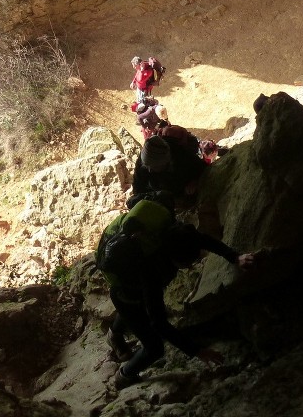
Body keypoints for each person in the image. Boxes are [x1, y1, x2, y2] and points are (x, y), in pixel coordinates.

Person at [97, 199, 256, 387]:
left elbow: (205, 240)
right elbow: (159, 323)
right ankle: (124, 375)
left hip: (131, 291)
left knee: (137, 307)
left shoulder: (178, 236)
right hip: (125, 296)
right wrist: (196, 351)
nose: (189, 267)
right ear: (174, 259)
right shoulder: (151, 272)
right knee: (154, 347)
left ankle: (114, 335)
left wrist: (236, 257)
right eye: (186, 264)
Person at [128, 134, 208, 209]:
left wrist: (195, 181)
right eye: (146, 166)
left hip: (183, 193)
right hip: (162, 198)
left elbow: (203, 168)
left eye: (154, 167)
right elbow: (137, 189)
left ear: (166, 162)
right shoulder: (144, 160)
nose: (149, 170)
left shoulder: (181, 155)